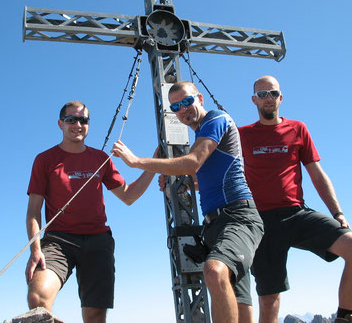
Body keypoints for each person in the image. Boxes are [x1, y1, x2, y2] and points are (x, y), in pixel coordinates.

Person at [112, 81, 264, 323]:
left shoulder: (216, 119)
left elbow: (192, 162)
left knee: (214, 271)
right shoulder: (201, 134)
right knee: (237, 297)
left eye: (187, 101)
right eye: (176, 107)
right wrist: (173, 179)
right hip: (216, 223)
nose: (183, 109)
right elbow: (200, 177)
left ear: (200, 99)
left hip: (237, 216)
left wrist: (136, 161)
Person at [238, 76, 352, 323]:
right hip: (260, 222)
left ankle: (344, 317)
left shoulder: (298, 129)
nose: (269, 98)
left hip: (296, 214)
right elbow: (216, 168)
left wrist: (338, 213)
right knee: (269, 300)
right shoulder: (241, 135)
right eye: (263, 94)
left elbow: (317, 175)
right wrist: (181, 180)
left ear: (281, 97)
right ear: (254, 99)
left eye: (273, 93)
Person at [25, 100, 155, 323]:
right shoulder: (45, 160)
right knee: (38, 298)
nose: (78, 124)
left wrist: (154, 163)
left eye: (83, 120)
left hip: (98, 242)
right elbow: (33, 212)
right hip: (58, 241)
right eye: (71, 119)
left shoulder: (100, 159)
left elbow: (128, 196)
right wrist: (35, 250)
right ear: (60, 124)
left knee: (95, 316)